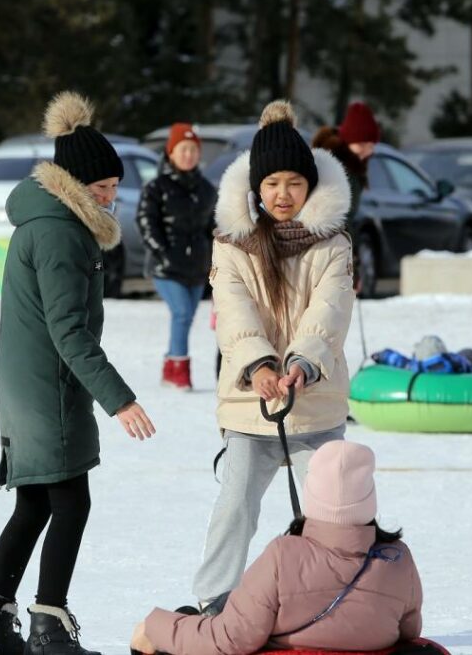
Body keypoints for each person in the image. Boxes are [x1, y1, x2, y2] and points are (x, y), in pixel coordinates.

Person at [0, 91, 156, 655]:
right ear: (72, 187)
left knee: (36, 503)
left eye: (113, 189)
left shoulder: (50, 221)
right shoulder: (58, 232)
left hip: (31, 384)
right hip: (49, 387)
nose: (109, 199)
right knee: (70, 501)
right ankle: (49, 625)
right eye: (100, 190)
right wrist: (119, 399)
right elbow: (68, 330)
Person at [190, 99, 356, 615]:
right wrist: (259, 365)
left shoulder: (333, 244)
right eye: (271, 184)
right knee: (235, 502)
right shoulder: (232, 243)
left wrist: (302, 362)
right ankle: (214, 600)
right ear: (255, 189)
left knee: (332, 510)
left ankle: (341, 598)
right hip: (250, 405)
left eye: (293, 183)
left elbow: (329, 311)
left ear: (309, 186)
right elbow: (233, 311)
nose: (282, 195)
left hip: (316, 401)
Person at [131, 441, 422, 655]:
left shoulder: (283, 556)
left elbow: (233, 638)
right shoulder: (398, 558)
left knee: (193, 620)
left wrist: (155, 627)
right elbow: (409, 631)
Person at [136, 122, 217, 390]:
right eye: (183, 149)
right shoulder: (157, 187)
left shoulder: (206, 189)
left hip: (197, 268)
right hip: (166, 267)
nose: (188, 155)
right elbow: (146, 221)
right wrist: (162, 252)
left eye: (193, 149)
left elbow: (212, 227)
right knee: (182, 313)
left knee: (187, 316)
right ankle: (179, 371)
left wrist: (212, 258)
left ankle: (170, 366)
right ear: (171, 153)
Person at [311, 101, 380, 291]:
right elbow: (341, 220)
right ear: (348, 142)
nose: (367, 150)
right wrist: (351, 266)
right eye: (361, 144)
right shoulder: (342, 171)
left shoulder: (338, 164)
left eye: (371, 145)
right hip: (325, 256)